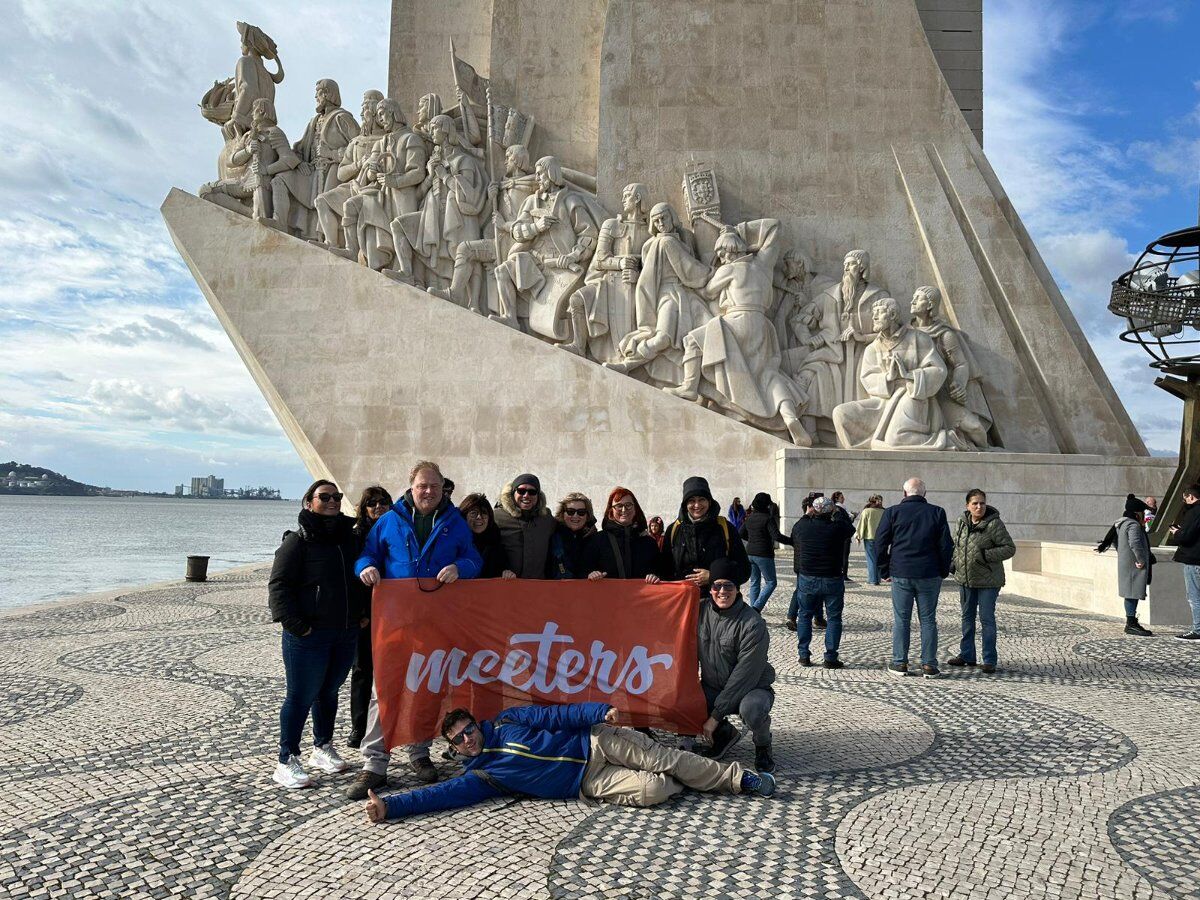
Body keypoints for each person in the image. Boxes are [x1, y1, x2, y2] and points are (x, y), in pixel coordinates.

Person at [363, 701, 776, 822]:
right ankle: (684, 772)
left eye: (468, 729)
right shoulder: (483, 776)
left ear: (476, 723)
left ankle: (739, 781)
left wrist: (599, 712)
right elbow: (442, 794)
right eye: (459, 740)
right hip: (586, 784)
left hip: (594, 743)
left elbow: (554, 716)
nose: (468, 738)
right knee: (655, 789)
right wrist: (391, 805)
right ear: (454, 749)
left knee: (664, 757)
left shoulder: (508, 721)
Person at [346, 461, 483, 798]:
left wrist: (460, 567)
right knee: (386, 691)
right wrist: (366, 568)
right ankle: (374, 764)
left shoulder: (454, 523)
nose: (428, 492)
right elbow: (367, 554)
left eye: (434, 487)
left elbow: (474, 559)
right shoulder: (389, 520)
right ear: (411, 486)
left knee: (426, 689)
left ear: (442, 489)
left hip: (436, 623)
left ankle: (419, 754)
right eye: (423, 486)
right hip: (395, 622)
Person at [267, 479, 365, 789]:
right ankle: (286, 760)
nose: (333, 501)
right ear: (309, 502)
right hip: (309, 636)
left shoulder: (348, 540)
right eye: (325, 497)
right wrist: (298, 626)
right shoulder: (297, 541)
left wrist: (361, 616)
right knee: (300, 696)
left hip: (345, 631)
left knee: (329, 692)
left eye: (336, 496)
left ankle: (322, 748)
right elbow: (278, 587)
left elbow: (360, 579)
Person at [696, 559, 776, 773]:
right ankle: (724, 735)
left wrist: (714, 717)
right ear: (710, 588)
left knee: (752, 710)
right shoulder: (700, 611)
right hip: (714, 687)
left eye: (728, 586)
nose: (722, 591)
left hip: (750, 689)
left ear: (738, 589)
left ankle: (762, 745)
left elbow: (744, 676)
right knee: (680, 699)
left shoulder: (753, 624)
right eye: (717, 585)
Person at [876, 477, 953, 678]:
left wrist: (884, 570)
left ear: (904, 494)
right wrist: (943, 570)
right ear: (924, 494)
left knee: (902, 619)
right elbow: (946, 545)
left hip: (901, 572)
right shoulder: (937, 512)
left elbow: (880, 544)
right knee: (928, 620)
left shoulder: (892, 512)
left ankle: (900, 662)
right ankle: (929, 665)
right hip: (929, 573)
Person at [779, 496, 855, 669]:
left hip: (808, 578)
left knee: (804, 615)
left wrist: (807, 515)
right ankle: (830, 657)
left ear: (812, 510)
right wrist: (837, 512)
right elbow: (850, 528)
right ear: (831, 511)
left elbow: (795, 532)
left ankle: (803, 655)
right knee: (834, 617)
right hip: (832, 578)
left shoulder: (802, 526)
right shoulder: (837, 528)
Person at [946, 489, 1015, 674]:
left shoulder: (994, 524)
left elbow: (1009, 548)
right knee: (967, 618)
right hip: (965, 579)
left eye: (982, 503)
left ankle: (989, 659)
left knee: (987, 619)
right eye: (975, 503)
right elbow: (956, 544)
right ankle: (967, 654)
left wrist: (985, 555)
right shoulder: (961, 522)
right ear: (967, 506)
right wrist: (954, 562)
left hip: (988, 581)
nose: (979, 506)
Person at [347, 485, 393, 748]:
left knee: (392, 670)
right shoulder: (356, 537)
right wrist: (360, 614)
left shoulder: (395, 532)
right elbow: (351, 580)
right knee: (363, 670)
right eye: (372, 503)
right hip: (366, 615)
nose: (378, 507)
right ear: (363, 508)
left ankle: (388, 721)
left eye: (383, 502)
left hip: (392, 613)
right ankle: (358, 726)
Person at [663, 476, 750, 593]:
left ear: (709, 501)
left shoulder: (725, 528)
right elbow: (664, 569)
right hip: (683, 601)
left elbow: (744, 570)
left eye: (701, 499)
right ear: (685, 504)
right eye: (691, 500)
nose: (697, 505)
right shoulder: (674, 530)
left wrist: (714, 576)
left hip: (718, 602)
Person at [1096, 494, 1154, 637]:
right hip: (1134, 565)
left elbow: (1115, 542)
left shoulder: (1121, 523)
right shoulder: (1133, 525)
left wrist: (1123, 553)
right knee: (1132, 593)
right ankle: (1131, 624)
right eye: (1142, 512)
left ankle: (1132, 622)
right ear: (1137, 513)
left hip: (1127, 563)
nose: (1144, 515)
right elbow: (1135, 544)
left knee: (1130, 592)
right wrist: (1141, 560)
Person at [581, 487, 666, 582]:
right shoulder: (597, 541)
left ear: (635, 508)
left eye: (628, 505)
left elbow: (663, 572)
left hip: (642, 596)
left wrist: (655, 576)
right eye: (618, 506)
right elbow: (583, 571)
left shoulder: (649, 543)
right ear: (611, 510)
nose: (624, 509)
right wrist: (591, 574)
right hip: (607, 596)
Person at [493, 474, 558, 578]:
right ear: (513, 493)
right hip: (507, 584)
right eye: (521, 491)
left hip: (537, 586)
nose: (526, 495)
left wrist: (588, 528)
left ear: (538, 496)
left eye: (532, 492)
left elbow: (568, 528)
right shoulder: (497, 516)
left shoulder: (546, 519)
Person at [740, 493, 782, 611]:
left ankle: (753, 612)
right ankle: (756, 608)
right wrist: (792, 541)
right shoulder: (768, 518)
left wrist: (753, 540)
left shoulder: (750, 518)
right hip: (763, 553)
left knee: (754, 582)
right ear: (767, 505)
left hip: (750, 553)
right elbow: (776, 536)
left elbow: (740, 533)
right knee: (771, 582)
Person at [1168, 483, 1200, 641]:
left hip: (1194, 560)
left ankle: (1198, 630)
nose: (1184, 501)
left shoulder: (1194, 512)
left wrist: (1177, 532)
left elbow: (1186, 536)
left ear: (1191, 497)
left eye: (1185, 498)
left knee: (1194, 596)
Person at [458, 492, 509, 578]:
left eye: (484, 513)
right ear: (464, 516)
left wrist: (507, 573)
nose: (479, 517)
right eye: (474, 513)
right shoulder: (454, 542)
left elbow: (502, 570)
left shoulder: (496, 544)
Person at [551, 492, 598, 578]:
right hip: (554, 589)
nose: (575, 516)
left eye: (581, 512)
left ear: (587, 516)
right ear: (562, 513)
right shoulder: (550, 535)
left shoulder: (596, 540)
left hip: (584, 589)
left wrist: (593, 574)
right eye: (570, 512)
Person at [855, 495, 885, 585]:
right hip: (881, 538)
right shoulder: (884, 511)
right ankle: (878, 578)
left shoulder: (866, 511)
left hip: (870, 537)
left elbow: (862, 525)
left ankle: (872, 579)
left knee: (871, 559)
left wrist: (858, 536)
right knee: (879, 558)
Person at [830, 491, 854, 582]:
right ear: (837, 499)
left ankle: (841, 574)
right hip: (844, 536)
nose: (843, 499)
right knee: (844, 556)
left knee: (840, 556)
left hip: (839, 536)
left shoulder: (836, 508)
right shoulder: (839, 509)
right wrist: (851, 519)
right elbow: (843, 523)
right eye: (841, 497)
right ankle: (844, 575)